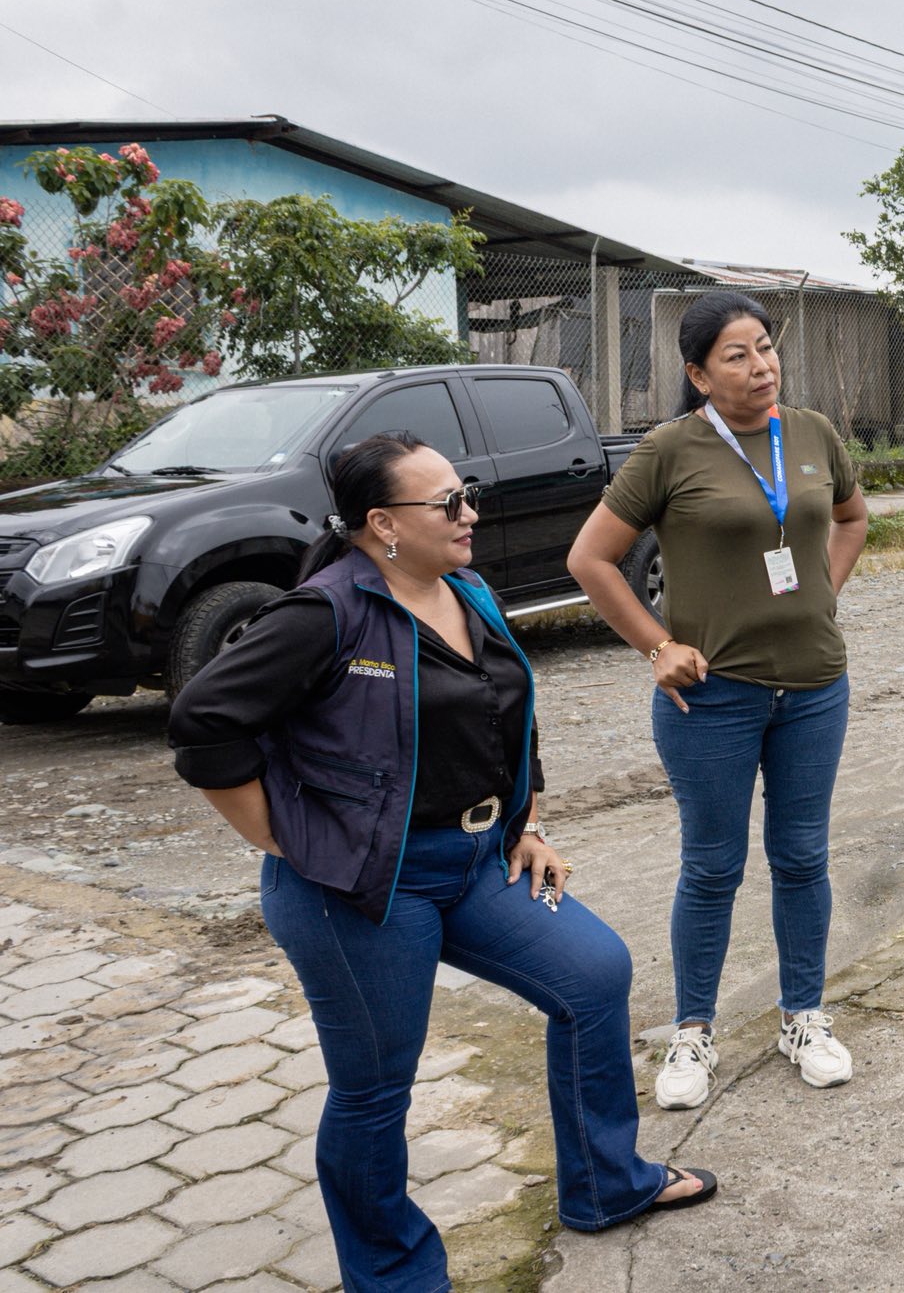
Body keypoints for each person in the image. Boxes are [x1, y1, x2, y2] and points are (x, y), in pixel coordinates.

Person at [169, 432, 712, 1291]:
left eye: (467, 496)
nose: (470, 515)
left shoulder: (468, 590)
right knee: (377, 1084)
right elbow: (203, 722)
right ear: (382, 523)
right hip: (362, 886)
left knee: (594, 976)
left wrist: (525, 823)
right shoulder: (324, 613)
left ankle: (607, 1184)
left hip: (473, 862)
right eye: (449, 503)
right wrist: (275, 836)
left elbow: (507, 712)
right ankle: (393, 1274)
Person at [567, 290, 869, 1111]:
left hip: (814, 686)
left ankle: (803, 1017)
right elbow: (590, 559)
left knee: (802, 856)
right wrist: (657, 646)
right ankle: (693, 1031)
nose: (761, 366)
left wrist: (824, 592)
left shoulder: (811, 433)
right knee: (712, 866)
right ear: (699, 375)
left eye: (765, 347)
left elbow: (851, 518)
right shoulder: (671, 449)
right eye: (737, 355)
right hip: (713, 698)